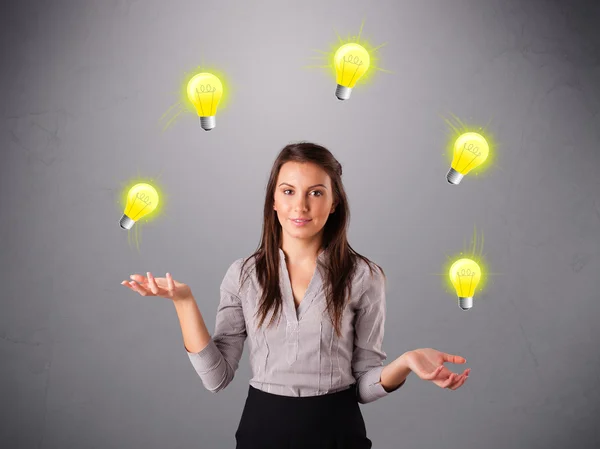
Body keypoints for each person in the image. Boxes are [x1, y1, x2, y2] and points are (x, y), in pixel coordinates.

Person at [122, 142, 470, 448]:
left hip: (337, 429)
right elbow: (217, 378)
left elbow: (364, 386)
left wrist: (406, 362)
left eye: (316, 192)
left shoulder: (364, 276)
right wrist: (184, 302)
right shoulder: (243, 274)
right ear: (273, 199)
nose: (300, 205)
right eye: (288, 191)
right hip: (262, 429)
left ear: (334, 203)